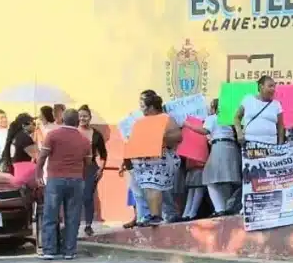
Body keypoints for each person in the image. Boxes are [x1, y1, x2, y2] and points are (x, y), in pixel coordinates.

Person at [119, 90, 182, 227]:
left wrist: (159, 137)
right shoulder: (140, 122)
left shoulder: (166, 118)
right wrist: (126, 160)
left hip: (161, 160)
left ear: (151, 107)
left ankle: (156, 216)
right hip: (143, 162)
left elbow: (178, 137)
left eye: (143, 106)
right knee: (149, 189)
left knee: (154, 186)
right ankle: (157, 215)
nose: (141, 110)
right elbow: (132, 142)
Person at [35, 108, 92, 260]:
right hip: (76, 180)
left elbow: (42, 157)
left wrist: (38, 174)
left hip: (55, 179)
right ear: (77, 121)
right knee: (72, 217)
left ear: (63, 119)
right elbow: (88, 162)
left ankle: (49, 250)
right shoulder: (85, 140)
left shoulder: (52, 135)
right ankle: (69, 251)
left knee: (51, 214)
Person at [184, 99, 239, 217]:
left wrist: (188, 125)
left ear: (214, 108)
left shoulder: (212, 117)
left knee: (209, 178)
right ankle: (227, 207)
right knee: (225, 180)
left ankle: (220, 209)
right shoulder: (229, 119)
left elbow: (204, 130)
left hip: (219, 147)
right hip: (231, 147)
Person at [78, 105, 107, 237]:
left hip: (91, 168)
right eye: (80, 116)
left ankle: (88, 225)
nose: (82, 118)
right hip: (74, 167)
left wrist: (101, 168)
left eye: (85, 116)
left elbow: (103, 154)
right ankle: (73, 224)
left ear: (89, 117)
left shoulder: (96, 134)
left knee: (87, 196)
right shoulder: (73, 132)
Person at [234, 75, 285, 145]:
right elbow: (237, 117)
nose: (273, 89)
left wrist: (280, 143)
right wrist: (239, 133)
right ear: (261, 87)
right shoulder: (248, 99)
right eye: (270, 86)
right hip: (250, 144)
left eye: (274, 86)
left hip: (271, 145)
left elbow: (280, 126)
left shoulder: (277, 104)